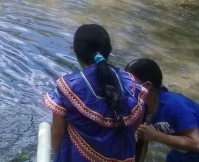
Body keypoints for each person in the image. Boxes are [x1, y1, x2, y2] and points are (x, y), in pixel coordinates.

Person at [43, 24, 148, 161]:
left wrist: (59, 156)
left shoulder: (68, 87)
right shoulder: (129, 82)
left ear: (75, 52)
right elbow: (137, 118)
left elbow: (57, 132)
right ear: (109, 51)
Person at [125, 58, 199, 161]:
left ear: (147, 86)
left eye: (129, 82)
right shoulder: (144, 105)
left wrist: (156, 136)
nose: (125, 86)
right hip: (186, 151)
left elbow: (197, 144)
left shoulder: (174, 105)